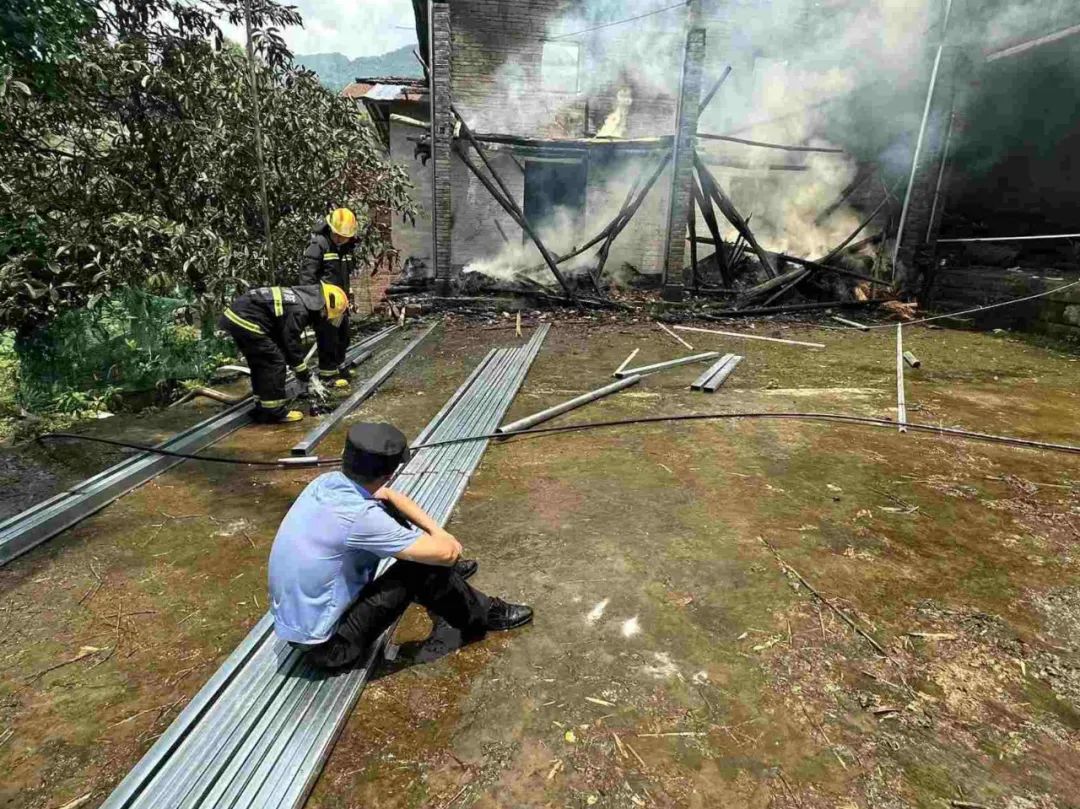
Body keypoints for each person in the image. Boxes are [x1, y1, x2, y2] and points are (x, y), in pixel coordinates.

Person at [267, 422, 533, 670]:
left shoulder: (326, 484)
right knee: (422, 568)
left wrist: (436, 532)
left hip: (302, 625)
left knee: (418, 546)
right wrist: (444, 547)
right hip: (331, 646)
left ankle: (438, 575)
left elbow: (389, 495)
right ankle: (483, 615)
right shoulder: (360, 517)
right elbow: (450, 552)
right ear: (390, 472)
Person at [218, 282, 348, 424]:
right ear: (322, 307)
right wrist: (302, 371)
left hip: (237, 318)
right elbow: (290, 342)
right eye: (325, 315)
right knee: (275, 362)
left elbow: (282, 338)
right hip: (247, 321)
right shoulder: (299, 310)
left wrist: (298, 366)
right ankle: (275, 412)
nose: (323, 318)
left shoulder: (297, 300)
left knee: (260, 364)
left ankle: (262, 405)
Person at [300, 208, 359, 390]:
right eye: (338, 235)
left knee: (343, 336)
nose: (340, 239)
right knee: (328, 339)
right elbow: (307, 277)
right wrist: (315, 304)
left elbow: (345, 275)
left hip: (340, 303)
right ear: (330, 228)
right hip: (325, 305)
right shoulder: (319, 245)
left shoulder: (346, 248)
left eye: (344, 236)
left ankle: (339, 366)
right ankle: (328, 376)